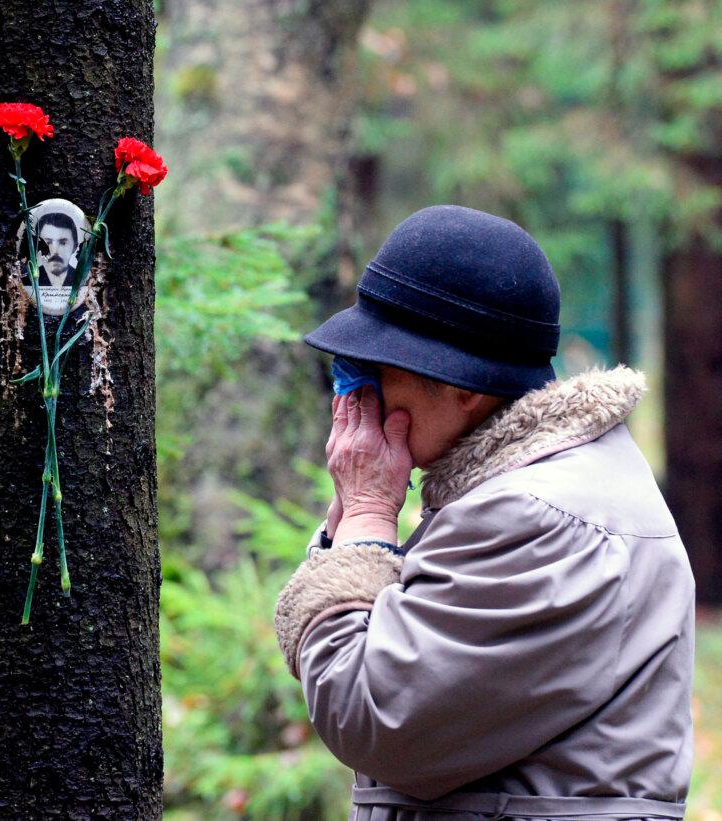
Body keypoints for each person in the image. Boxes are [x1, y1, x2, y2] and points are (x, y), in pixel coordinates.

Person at [274, 205, 693, 820]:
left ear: (463, 387)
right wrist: (356, 524)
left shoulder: (534, 518)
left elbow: (370, 717)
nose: (354, 390)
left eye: (376, 366)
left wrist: (366, 514)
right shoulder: (532, 490)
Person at [32, 211, 80, 287]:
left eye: (63, 243)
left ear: (75, 247)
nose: (55, 251)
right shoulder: (26, 280)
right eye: (48, 243)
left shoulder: (83, 281)